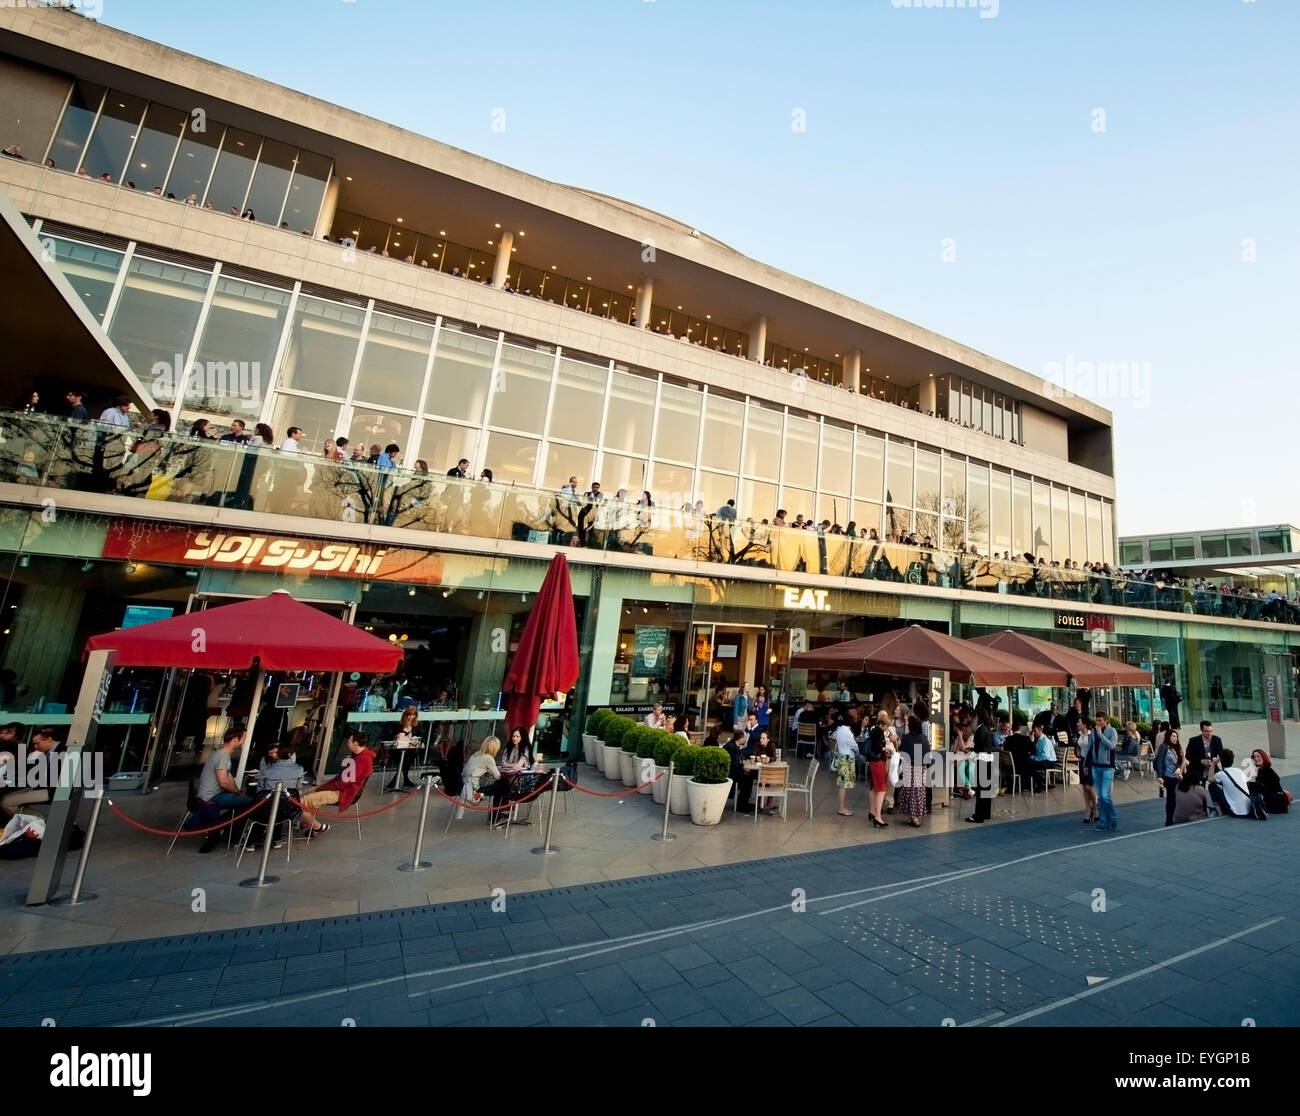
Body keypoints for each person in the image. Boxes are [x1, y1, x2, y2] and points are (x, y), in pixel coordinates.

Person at [297, 733, 375, 834]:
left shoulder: (362, 759)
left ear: (355, 743)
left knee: (301, 801)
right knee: (305, 793)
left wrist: (323, 787)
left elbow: (344, 783)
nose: (347, 743)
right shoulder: (359, 757)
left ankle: (317, 826)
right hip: (341, 788)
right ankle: (307, 822)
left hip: (343, 792)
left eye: (349, 741)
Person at [193, 728, 256, 852]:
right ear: (234, 740)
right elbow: (223, 781)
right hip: (211, 796)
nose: (243, 741)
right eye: (242, 739)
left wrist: (237, 791)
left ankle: (224, 827)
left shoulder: (222, 754)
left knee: (243, 802)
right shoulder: (222, 756)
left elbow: (228, 776)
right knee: (252, 803)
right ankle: (228, 829)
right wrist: (237, 792)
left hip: (211, 794)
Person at [0, 727, 65, 820]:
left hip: (52, 791)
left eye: (37, 743)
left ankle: (41, 823)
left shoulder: (62, 751)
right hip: (41, 786)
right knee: (7, 797)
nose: (35, 747)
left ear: (49, 739)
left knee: (7, 802)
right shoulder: (49, 753)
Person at [1083, 713, 1119, 832]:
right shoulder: (1093, 731)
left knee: (1105, 795)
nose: (1097, 723)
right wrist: (1086, 764)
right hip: (1095, 766)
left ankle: (1112, 817)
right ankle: (1104, 822)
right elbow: (1090, 747)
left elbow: (1112, 746)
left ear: (1106, 721)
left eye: (1100, 720)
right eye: (1096, 720)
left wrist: (1100, 734)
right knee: (1100, 797)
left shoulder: (1112, 731)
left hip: (1107, 767)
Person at [895, 715, 928, 828]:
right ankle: (917, 815)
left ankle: (911, 815)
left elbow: (902, 751)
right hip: (921, 768)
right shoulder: (923, 738)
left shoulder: (907, 738)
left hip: (909, 767)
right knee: (919, 792)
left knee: (908, 792)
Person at [385, 705, 422, 792]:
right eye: (409, 715)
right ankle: (405, 781)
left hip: (411, 749)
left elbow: (419, 738)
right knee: (404, 759)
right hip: (398, 749)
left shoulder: (417, 726)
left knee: (407, 757)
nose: (410, 717)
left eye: (413, 715)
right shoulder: (399, 726)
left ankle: (395, 782)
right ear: (405, 715)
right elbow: (395, 738)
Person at [1208, 749, 1255, 818]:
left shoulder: (1221, 774)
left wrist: (1213, 764)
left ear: (1221, 760)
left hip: (1236, 811)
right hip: (1248, 809)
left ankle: (1219, 812)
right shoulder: (1240, 771)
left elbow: (1210, 779)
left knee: (1212, 786)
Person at [1154, 729, 1183, 827]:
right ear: (1168, 737)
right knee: (1171, 798)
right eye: (1173, 736)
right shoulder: (1164, 746)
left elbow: (1180, 759)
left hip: (1176, 776)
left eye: (1176, 736)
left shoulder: (1175, 747)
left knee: (1174, 798)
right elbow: (1159, 761)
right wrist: (1160, 776)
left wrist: (1179, 768)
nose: (1175, 738)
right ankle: (1169, 820)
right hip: (1168, 776)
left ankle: (1173, 818)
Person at [831, 716, 859, 817]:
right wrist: (858, 751)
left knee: (843, 784)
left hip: (842, 757)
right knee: (844, 785)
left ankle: (841, 807)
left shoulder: (839, 730)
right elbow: (854, 745)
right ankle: (841, 808)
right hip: (847, 758)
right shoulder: (847, 732)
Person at [724, 728, 756, 814]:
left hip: (733, 772)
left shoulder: (734, 745)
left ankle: (743, 803)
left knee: (748, 777)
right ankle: (742, 805)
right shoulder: (732, 747)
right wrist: (743, 771)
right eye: (745, 738)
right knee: (747, 780)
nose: (746, 739)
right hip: (731, 774)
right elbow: (734, 765)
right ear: (741, 738)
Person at [1247, 750, 1289, 814]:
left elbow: (1261, 788)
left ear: (1263, 758)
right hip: (1268, 797)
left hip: (1274, 801)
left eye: (1258, 756)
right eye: (1254, 757)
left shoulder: (1269, 771)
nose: (1256, 758)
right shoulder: (1256, 771)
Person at [1185, 721, 1223, 787]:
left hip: (1212, 767)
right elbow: (1188, 755)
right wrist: (1201, 761)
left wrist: (1217, 760)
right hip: (1198, 769)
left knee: (1221, 783)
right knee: (1200, 789)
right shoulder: (1194, 741)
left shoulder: (1217, 740)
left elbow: (1222, 754)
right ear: (1201, 731)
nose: (1209, 733)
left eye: (1211, 731)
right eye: (1206, 731)